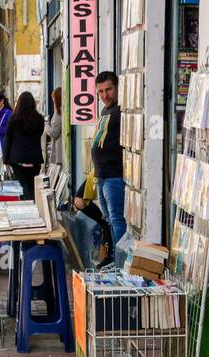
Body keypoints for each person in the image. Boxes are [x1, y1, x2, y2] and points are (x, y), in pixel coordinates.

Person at [92, 70, 125, 255]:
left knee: (116, 219)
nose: (105, 95)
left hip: (114, 175)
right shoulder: (105, 110)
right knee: (109, 219)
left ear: (117, 87)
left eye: (109, 89)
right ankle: (114, 257)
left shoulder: (121, 110)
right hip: (101, 175)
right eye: (101, 91)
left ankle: (120, 263)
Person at [2, 90, 44, 198]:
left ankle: (25, 206)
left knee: (22, 186)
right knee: (31, 186)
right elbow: (40, 134)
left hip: (18, 159)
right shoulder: (39, 119)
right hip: (34, 159)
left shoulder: (13, 118)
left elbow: (8, 139)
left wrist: (5, 160)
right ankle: (32, 204)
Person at [72, 175, 111, 266]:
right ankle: (107, 255)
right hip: (82, 199)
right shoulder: (100, 171)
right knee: (106, 222)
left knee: (105, 222)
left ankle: (106, 255)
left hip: (81, 199)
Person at [44, 86, 62, 166]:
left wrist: (46, 125)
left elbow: (54, 133)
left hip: (59, 152)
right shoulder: (60, 111)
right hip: (59, 151)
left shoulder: (59, 112)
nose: (53, 102)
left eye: (54, 100)